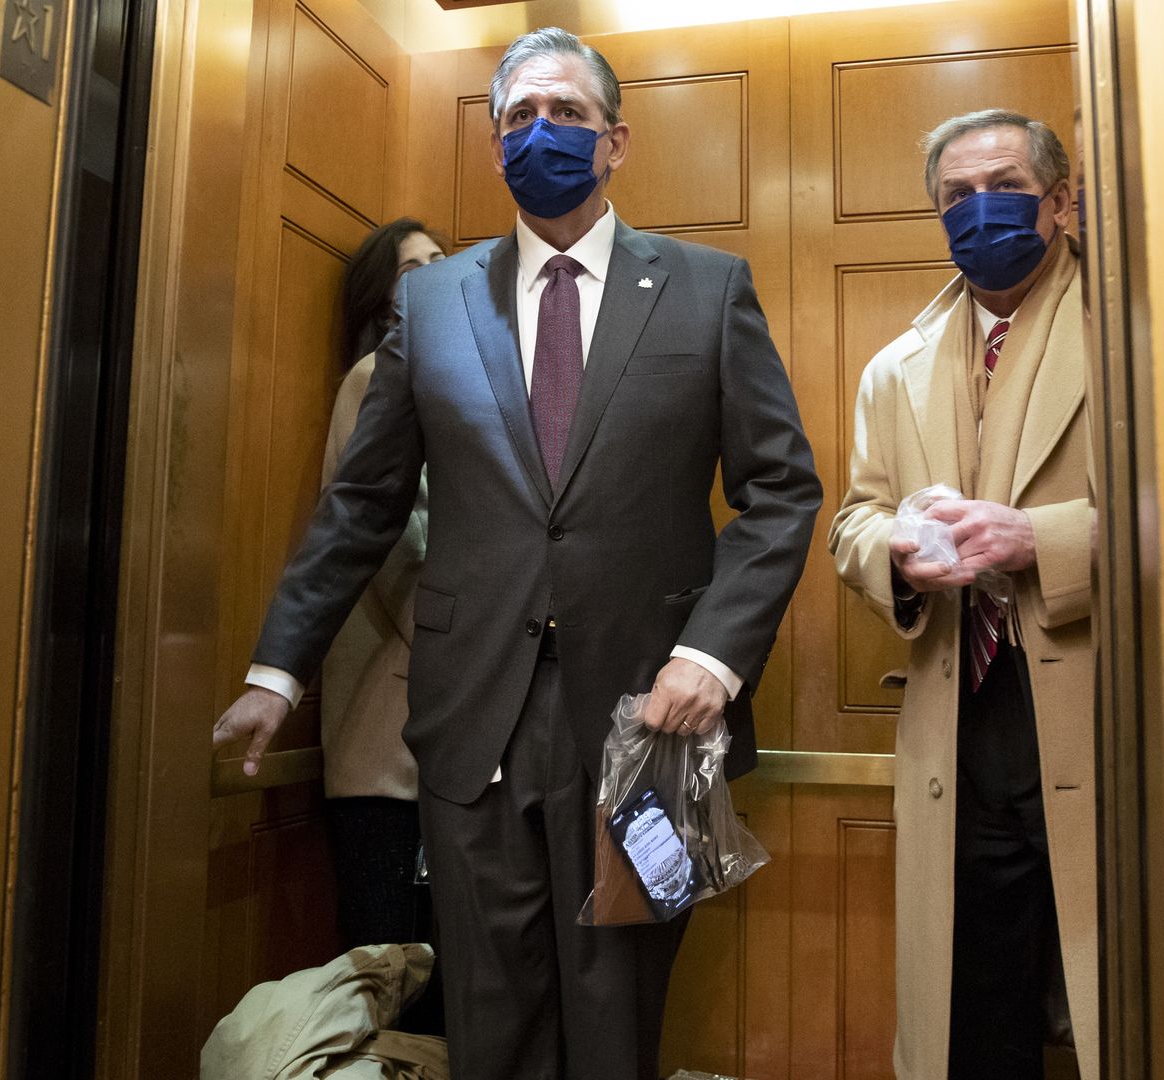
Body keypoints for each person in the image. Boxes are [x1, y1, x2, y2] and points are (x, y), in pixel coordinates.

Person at [213, 26, 821, 1080]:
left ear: (617, 139)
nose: (542, 134)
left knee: (620, 1018)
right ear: (495, 149)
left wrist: (711, 657)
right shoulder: (429, 301)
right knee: (489, 1022)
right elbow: (361, 506)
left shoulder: (708, 289)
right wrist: (279, 669)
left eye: (568, 115)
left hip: (652, 728)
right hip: (470, 723)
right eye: (518, 119)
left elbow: (782, 493)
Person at [828, 109, 1098, 1079]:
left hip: (1099, 710)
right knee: (976, 998)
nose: (979, 210)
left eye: (1005, 187)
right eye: (955, 196)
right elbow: (852, 519)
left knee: (1115, 986)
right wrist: (894, 550)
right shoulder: (894, 368)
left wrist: (1047, 537)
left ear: (1061, 201)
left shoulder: (1136, 333)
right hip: (961, 712)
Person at [320, 219, 443, 995]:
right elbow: (385, 540)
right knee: (393, 970)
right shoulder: (375, 375)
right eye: (413, 267)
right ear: (382, 294)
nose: (434, 274)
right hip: (389, 731)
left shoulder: (442, 374)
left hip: (429, 729)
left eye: (442, 261)